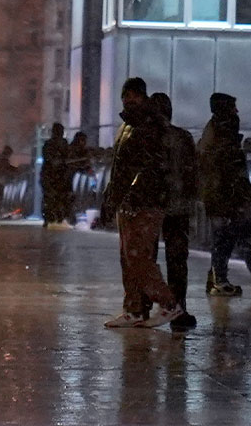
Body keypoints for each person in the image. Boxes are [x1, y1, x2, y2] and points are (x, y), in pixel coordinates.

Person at [102, 77, 183, 329]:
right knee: (130, 257)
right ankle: (134, 308)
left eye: (134, 95)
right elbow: (121, 170)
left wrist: (130, 194)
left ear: (143, 97)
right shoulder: (129, 127)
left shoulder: (148, 126)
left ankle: (168, 303)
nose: (129, 100)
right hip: (131, 202)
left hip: (145, 202)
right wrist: (112, 198)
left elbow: (145, 168)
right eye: (126, 95)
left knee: (138, 258)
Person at [197, 92, 251, 297]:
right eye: (233, 107)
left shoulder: (215, 132)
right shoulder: (223, 137)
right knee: (240, 239)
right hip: (227, 199)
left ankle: (220, 279)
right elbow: (229, 171)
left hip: (221, 198)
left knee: (226, 240)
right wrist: (241, 197)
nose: (237, 111)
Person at [149, 92, 198, 330]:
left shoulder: (147, 138)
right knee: (177, 260)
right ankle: (178, 307)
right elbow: (192, 173)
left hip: (152, 205)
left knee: (147, 258)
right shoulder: (183, 137)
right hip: (178, 207)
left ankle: (146, 306)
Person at [41, 124, 72, 227]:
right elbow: (48, 158)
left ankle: (57, 217)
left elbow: (67, 157)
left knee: (59, 197)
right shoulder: (49, 144)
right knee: (51, 197)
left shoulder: (63, 143)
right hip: (51, 175)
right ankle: (50, 217)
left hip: (60, 175)